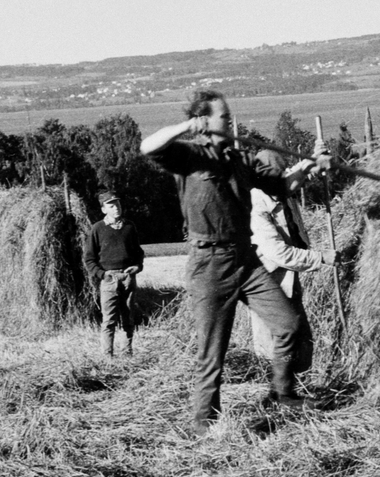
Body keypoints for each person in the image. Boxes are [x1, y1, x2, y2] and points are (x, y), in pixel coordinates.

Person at [140, 90, 329, 438]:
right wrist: (186, 126)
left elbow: (282, 186)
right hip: (209, 264)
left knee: (288, 323)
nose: (232, 123)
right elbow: (148, 146)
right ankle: (204, 423)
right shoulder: (189, 156)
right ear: (204, 121)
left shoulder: (238, 160)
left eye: (230, 118)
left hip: (247, 258)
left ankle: (282, 394)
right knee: (213, 351)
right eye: (225, 118)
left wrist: (310, 166)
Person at [248, 149, 337, 375]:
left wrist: (314, 161)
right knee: (275, 350)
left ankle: (296, 390)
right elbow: (278, 253)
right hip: (268, 284)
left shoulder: (275, 188)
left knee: (302, 344)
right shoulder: (256, 205)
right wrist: (321, 257)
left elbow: (291, 181)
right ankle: (278, 397)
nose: (283, 185)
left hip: (288, 280)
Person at [82, 189, 144, 358]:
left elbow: (138, 252)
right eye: (111, 205)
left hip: (128, 278)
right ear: (104, 209)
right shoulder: (97, 229)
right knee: (109, 321)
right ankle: (107, 357)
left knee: (128, 319)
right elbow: (89, 259)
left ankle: (127, 355)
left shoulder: (129, 227)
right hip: (109, 280)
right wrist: (102, 274)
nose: (116, 207)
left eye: (117, 203)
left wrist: (137, 267)